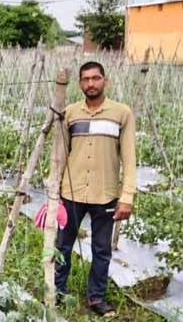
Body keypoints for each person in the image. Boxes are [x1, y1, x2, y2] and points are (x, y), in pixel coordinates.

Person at [55, 61, 136, 318]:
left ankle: (96, 297)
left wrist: (127, 196)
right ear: (79, 83)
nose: (91, 83)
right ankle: (57, 290)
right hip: (71, 192)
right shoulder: (68, 113)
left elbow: (130, 158)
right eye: (86, 79)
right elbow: (59, 154)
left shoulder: (121, 113)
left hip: (106, 194)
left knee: (101, 249)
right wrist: (53, 190)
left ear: (105, 81)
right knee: (62, 245)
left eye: (96, 78)